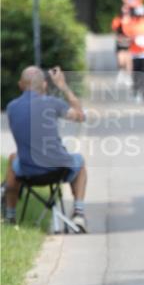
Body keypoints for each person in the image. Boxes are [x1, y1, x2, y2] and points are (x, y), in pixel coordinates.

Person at [3, 66, 88, 232]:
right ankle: (78, 213)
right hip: (58, 170)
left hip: (27, 171)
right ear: (44, 85)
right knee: (79, 161)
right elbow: (81, 116)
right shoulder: (53, 103)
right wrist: (63, 86)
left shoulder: (12, 107)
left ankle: (10, 216)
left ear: (20, 85)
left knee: (13, 158)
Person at [111, 3, 133, 86]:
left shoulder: (132, 21)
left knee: (128, 61)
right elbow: (114, 33)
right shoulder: (117, 20)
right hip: (120, 43)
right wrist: (118, 38)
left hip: (130, 44)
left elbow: (135, 32)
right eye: (123, 9)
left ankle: (128, 77)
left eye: (126, 10)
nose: (125, 11)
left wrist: (131, 39)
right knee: (120, 61)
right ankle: (121, 73)